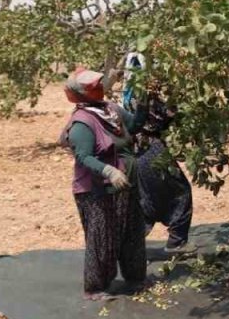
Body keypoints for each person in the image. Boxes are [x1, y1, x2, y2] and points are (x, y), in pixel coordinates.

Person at [58, 68, 148, 299]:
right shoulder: (82, 122)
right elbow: (84, 157)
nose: (99, 88)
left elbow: (135, 126)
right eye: (93, 87)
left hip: (124, 185)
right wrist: (109, 171)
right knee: (102, 236)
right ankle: (96, 287)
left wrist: (144, 105)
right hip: (96, 189)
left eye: (99, 85)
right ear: (82, 94)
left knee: (131, 232)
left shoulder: (111, 110)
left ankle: (134, 279)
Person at [120, 54, 196, 255]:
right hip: (153, 151)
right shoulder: (147, 96)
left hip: (136, 152)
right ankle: (176, 242)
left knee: (146, 197)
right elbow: (168, 116)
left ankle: (130, 246)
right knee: (181, 192)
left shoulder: (127, 93)